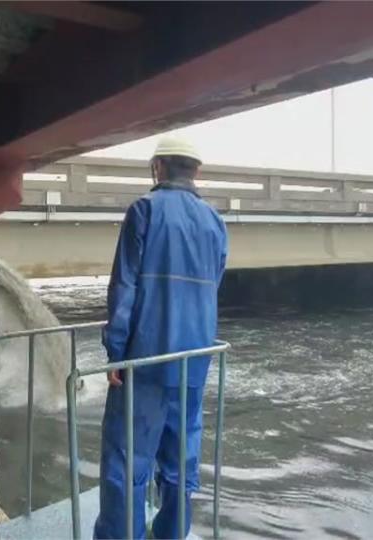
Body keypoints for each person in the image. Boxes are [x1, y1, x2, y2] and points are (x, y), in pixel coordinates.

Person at [94, 137, 228, 539]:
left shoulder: (144, 210)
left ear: (158, 168)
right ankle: (171, 532)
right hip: (196, 357)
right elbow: (213, 282)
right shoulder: (214, 221)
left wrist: (116, 351)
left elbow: (125, 287)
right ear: (196, 171)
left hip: (146, 359)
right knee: (181, 452)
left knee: (127, 457)